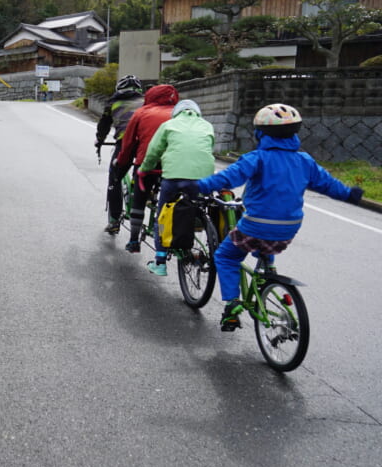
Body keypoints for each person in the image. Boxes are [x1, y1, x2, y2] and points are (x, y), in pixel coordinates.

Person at [196, 103, 364, 330]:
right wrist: (349, 194)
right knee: (266, 245)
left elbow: (227, 179)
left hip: (256, 225)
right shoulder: (305, 161)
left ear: (260, 133)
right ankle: (267, 275)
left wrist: (198, 185)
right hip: (289, 229)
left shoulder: (257, 158)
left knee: (226, 256)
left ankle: (232, 304)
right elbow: (328, 184)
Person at [136, 99, 216, 276]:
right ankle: (194, 240)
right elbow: (207, 149)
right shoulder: (207, 126)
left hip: (174, 178)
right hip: (204, 180)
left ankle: (160, 261)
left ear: (176, 113)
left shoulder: (168, 125)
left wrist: (144, 170)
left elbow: (154, 151)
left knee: (163, 216)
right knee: (196, 209)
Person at [115, 83, 179, 253]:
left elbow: (128, 145)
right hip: (175, 166)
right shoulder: (180, 114)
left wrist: (121, 166)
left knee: (140, 197)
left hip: (148, 163)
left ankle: (134, 239)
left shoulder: (142, 112)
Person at [95, 74, 145, 234]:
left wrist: (100, 140)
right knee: (147, 175)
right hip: (146, 143)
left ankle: (114, 220)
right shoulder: (146, 102)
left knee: (114, 180)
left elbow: (104, 125)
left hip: (125, 143)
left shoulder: (112, 102)